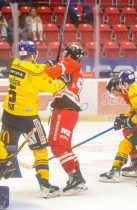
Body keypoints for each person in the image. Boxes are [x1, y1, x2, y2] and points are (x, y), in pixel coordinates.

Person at [0, 41, 69, 198]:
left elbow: (33, 68)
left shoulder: (16, 63)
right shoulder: (35, 72)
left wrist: (47, 65)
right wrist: (63, 80)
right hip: (28, 118)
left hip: (9, 115)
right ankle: (45, 184)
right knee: (40, 150)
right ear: (34, 54)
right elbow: (52, 86)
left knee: (2, 149)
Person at [44, 44, 88, 195]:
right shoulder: (76, 68)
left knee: (57, 144)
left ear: (71, 54)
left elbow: (51, 72)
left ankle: (75, 178)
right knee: (66, 147)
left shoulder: (71, 63)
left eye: (66, 53)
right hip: (69, 110)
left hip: (64, 109)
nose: (64, 55)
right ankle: (77, 176)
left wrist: (49, 65)